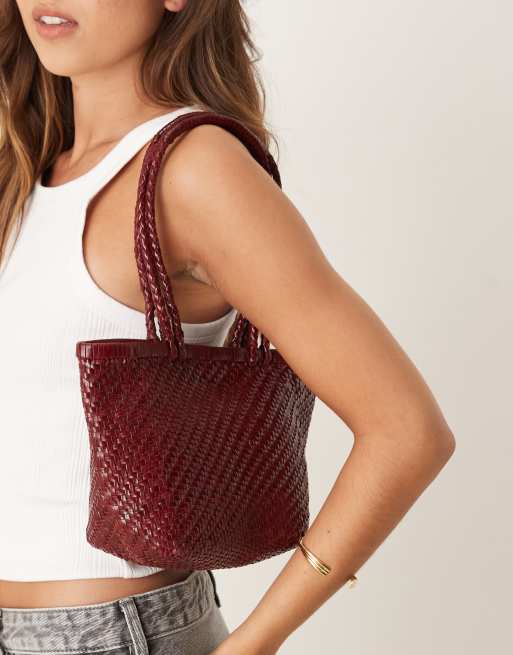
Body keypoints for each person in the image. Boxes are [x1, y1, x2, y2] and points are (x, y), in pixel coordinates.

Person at [0, 1, 456, 654]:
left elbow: (406, 429)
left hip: (110, 635)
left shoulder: (194, 170)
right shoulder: (27, 165)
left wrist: (252, 644)